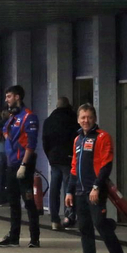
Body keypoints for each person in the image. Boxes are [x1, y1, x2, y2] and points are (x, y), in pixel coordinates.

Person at [65, 103, 127, 253]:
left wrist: (96, 186)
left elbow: (106, 165)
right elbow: (73, 168)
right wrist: (69, 191)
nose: (86, 120)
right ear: (78, 120)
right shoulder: (77, 140)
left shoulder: (103, 137)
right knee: (85, 229)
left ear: (94, 118)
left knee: (101, 225)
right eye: (82, 117)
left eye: (89, 117)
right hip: (79, 191)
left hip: (95, 191)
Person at [2, 86, 40, 248]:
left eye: (9, 96)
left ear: (17, 97)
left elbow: (31, 144)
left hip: (23, 165)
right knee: (13, 201)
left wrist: (24, 164)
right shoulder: (12, 117)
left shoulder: (29, 117)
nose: (6, 99)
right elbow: (5, 132)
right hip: (11, 165)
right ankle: (14, 236)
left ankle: (34, 238)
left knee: (28, 201)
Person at [42, 96, 78, 230]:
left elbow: (45, 142)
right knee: (69, 188)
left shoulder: (49, 121)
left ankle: (54, 219)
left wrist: (50, 156)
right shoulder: (73, 119)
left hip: (54, 159)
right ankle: (69, 217)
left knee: (54, 188)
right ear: (69, 105)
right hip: (68, 158)